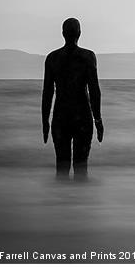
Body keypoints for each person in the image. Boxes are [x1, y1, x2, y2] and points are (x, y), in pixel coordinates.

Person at [41, 18, 104, 181]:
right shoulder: (88, 57)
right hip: (82, 117)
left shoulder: (52, 58)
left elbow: (47, 93)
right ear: (79, 34)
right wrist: (98, 119)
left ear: (63, 34)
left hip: (60, 117)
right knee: (81, 168)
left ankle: (61, 203)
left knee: (61, 167)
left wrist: (45, 122)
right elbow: (94, 91)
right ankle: (78, 202)